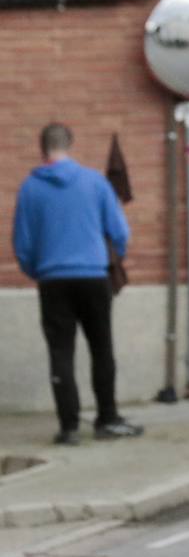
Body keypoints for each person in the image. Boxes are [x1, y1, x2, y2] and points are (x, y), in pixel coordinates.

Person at [11, 124, 142, 446]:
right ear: (70, 144)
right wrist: (110, 259)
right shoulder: (95, 183)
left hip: (53, 280)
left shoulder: (30, 189)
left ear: (42, 149)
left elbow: (22, 243)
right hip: (92, 276)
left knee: (61, 353)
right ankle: (107, 419)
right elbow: (119, 232)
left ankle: (69, 427)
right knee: (101, 348)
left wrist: (38, 270)